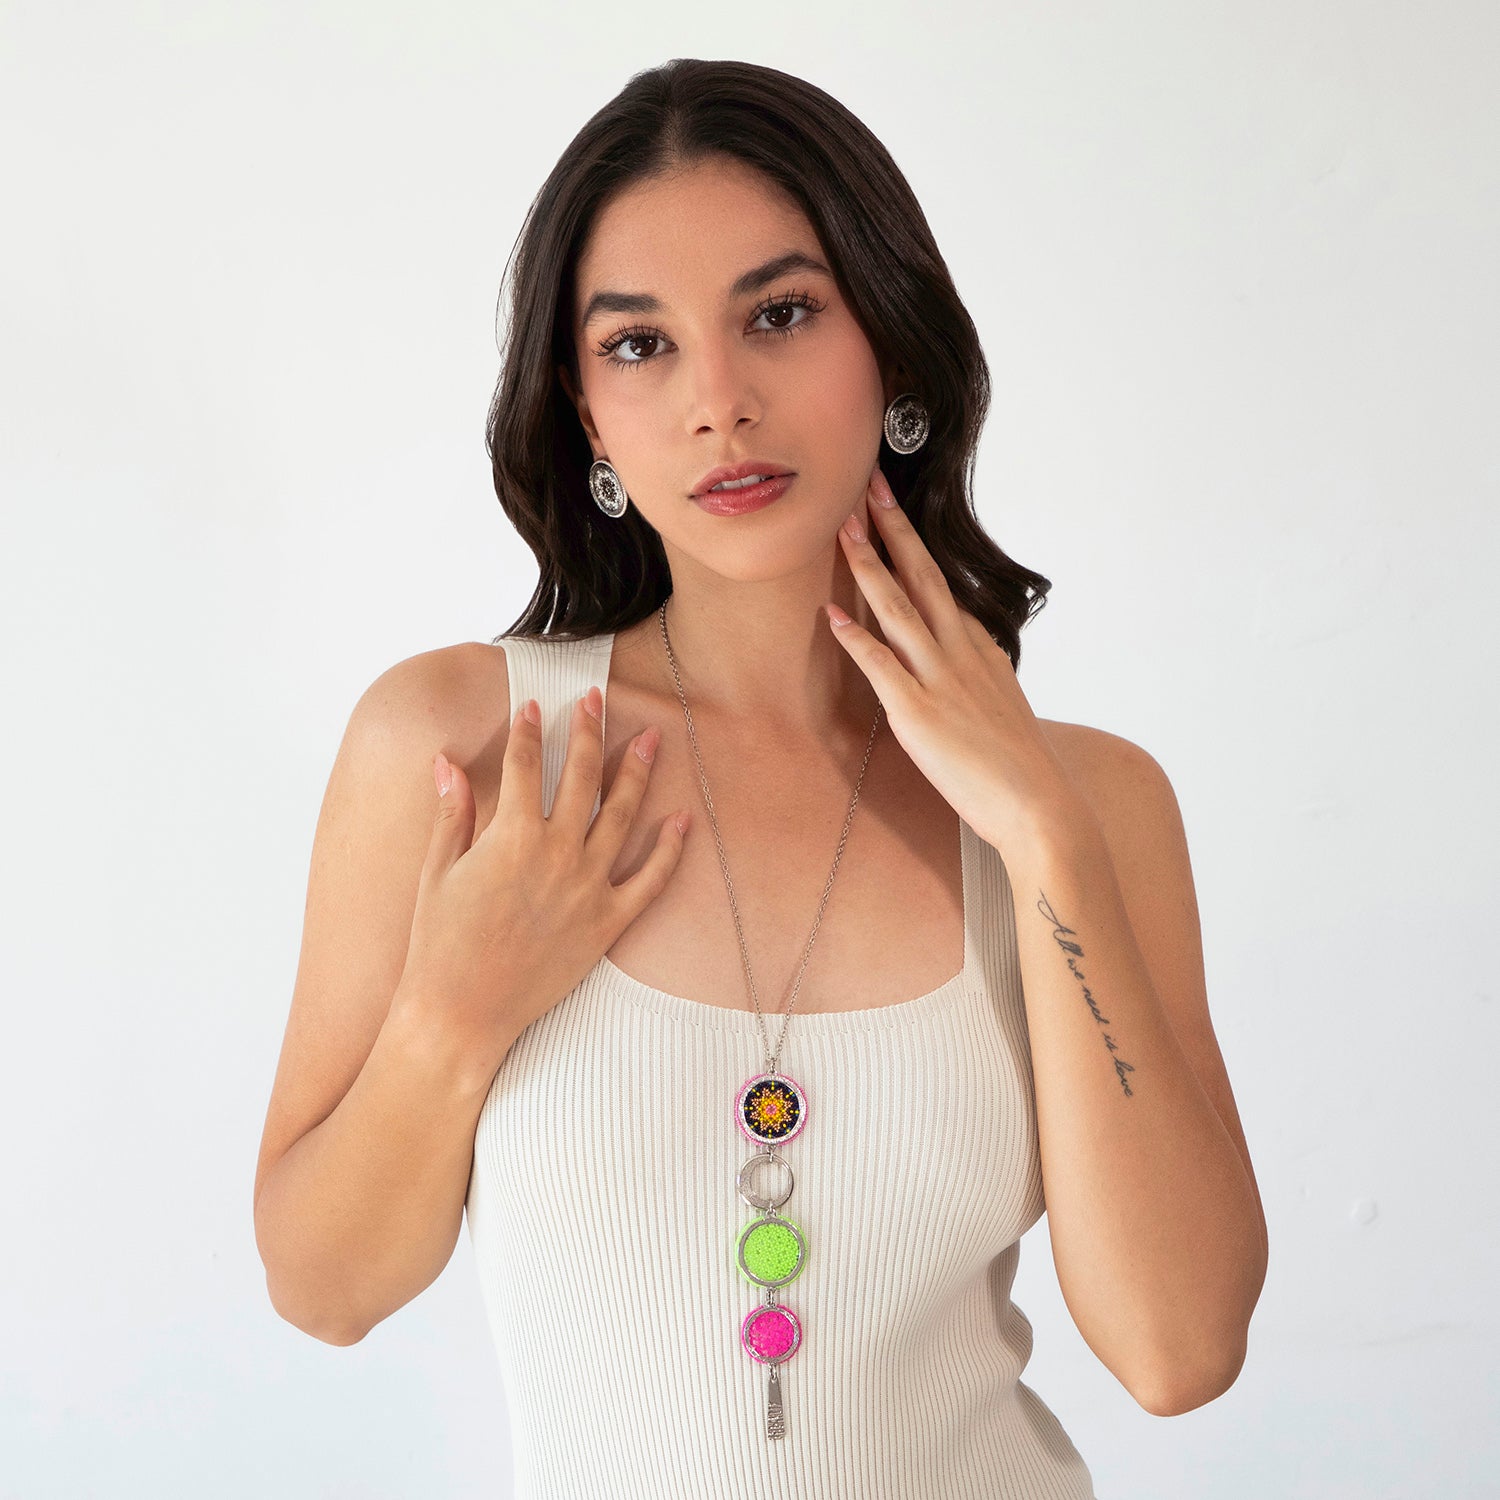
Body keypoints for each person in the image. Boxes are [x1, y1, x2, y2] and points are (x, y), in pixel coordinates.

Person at [253, 57, 1267, 1499]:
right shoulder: (463, 752)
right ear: (586, 416)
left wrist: (1043, 837)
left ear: (893, 347)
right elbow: (325, 1289)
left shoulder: (1089, 803)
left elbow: (1179, 1352)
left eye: (779, 315)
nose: (717, 402)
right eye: (639, 345)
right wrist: (453, 1011)